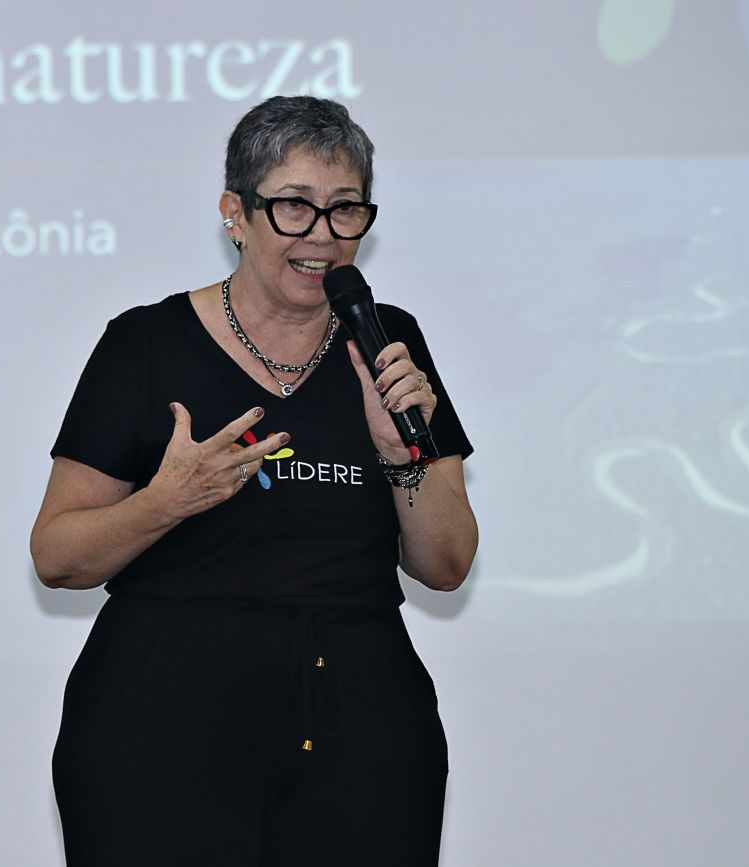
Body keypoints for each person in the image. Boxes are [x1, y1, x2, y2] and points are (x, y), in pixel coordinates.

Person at [31, 95, 478, 866]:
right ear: (234, 212)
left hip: (361, 725)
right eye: (294, 207)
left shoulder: (388, 341)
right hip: (160, 727)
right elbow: (57, 556)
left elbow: (445, 563)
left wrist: (400, 452)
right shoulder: (145, 345)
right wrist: (165, 503)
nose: (323, 235)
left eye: (345, 209)